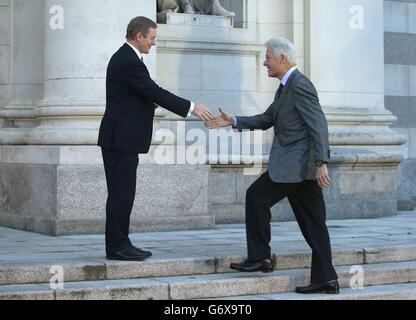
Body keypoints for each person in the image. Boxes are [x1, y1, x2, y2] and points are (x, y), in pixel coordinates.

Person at [205, 37, 339, 294]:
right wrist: (232, 120)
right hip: (299, 169)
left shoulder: (300, 85)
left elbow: (318, 124)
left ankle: (260, 258)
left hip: (294, 166)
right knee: (314, 224)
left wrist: (321, 162)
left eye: (267, 57)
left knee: (256, 196)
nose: (264, 62)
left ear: (282, 58)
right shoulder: (285, 87)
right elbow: (267, 118)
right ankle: (326, 278)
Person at [98, 16, 213, 261]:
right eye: (151, 38)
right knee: (121, 193)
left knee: (123, 192)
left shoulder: (128, 59)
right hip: (121, 140)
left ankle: (120, 242)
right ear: (139, 36)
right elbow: (154, 92)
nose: (154, 43)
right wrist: (192, 107)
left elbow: (146, 93)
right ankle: (117, 245)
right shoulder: (128, 61)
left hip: (122, 139)